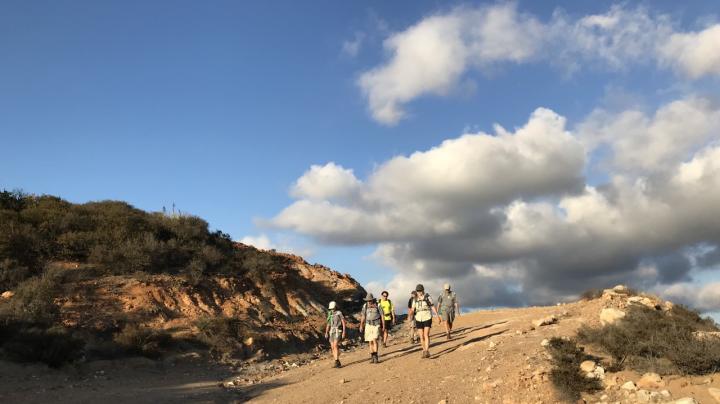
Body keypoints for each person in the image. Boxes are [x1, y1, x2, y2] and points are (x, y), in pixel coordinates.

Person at [408, 284, 441, 358]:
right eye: (418, 291)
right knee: (421, 335)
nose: (419, 292)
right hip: (418, 318)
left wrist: (437, 316)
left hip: (427, 317)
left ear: (423, 290)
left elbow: (432, 306)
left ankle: (427, 350)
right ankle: (424, 350)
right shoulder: (415, 299)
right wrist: (410, 316)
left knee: (426, 334)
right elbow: (413, 309)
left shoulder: (427, 297)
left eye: (420, 290)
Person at [359, 293, 385, 364]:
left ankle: (376, 356)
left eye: (370, 300)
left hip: (376, 324)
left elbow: (382, 316)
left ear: (372, 299)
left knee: (374, 339)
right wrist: (361, 325)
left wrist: (383, 325)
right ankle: (372, 356)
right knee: (370, 341)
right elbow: (363, 316)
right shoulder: (365, 306)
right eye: (368, 300)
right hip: (368, 324)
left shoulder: (378, 305)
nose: (369, 301)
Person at [324, 301, 346, 368]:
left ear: (335, 307)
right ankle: (337, 361)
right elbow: (328, 324)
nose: (332, 309)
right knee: (332, 347)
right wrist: (326, 332)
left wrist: (344, 331)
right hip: (332, 331)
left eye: (333, 308)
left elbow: (343, 322)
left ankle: (336, 361)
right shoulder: (330, 314)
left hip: (338, 331)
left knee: (335, 345)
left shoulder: (339, 313)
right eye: (331, 308)